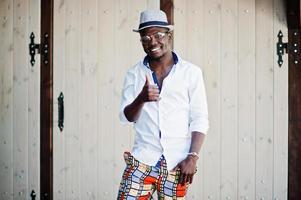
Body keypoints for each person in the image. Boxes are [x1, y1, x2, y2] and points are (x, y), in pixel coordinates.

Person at [117, 9, 209, 199]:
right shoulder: (133, 74)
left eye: (158, 34)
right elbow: (126, 117)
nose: (152, 42)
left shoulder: (191, 73)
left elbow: (200, 118)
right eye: (145, 38)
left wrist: (193, 157)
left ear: (169, 35)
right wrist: (141, 98)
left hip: (177, 165)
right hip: (142, 162)